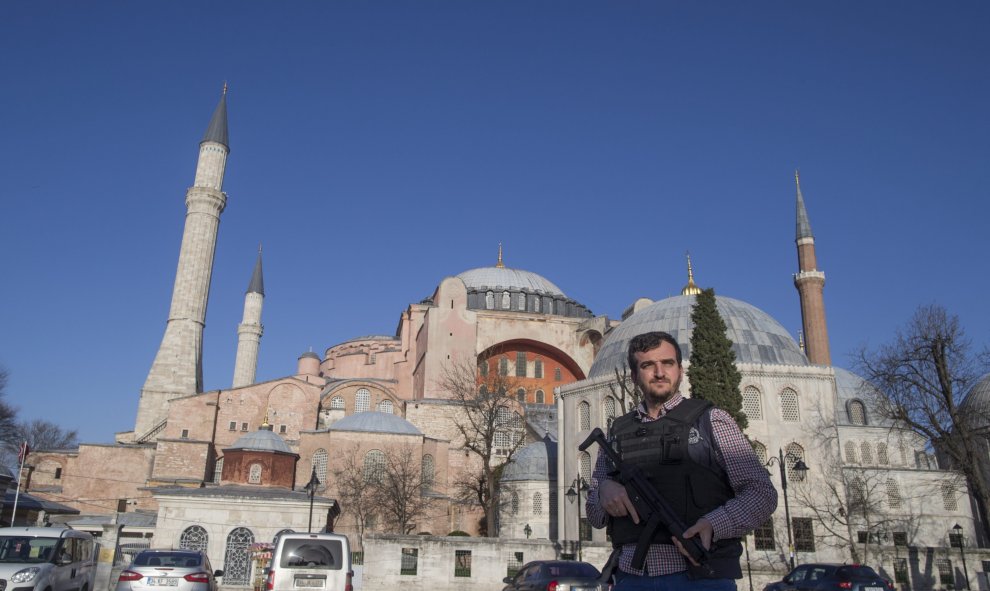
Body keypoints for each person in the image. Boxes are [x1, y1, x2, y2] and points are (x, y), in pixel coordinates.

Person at [586, 331, 778, 590]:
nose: (659, 372)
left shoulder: (711, 421)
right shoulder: (617, 433)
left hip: (698, 578)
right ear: (634, 376)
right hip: (631, 577)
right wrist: (603, 492)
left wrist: (714, 523)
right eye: (647, 365)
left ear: (680, 370)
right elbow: (594, 515)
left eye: (667, 363)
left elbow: (761, 493)